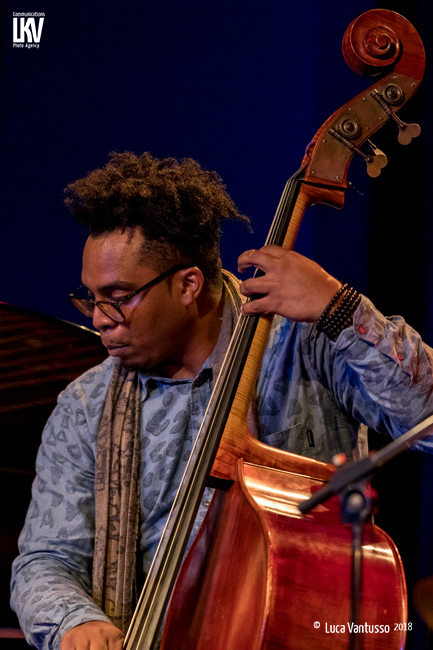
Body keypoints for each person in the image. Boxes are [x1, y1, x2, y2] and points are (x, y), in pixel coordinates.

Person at [10, 151, 433, 649]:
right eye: (90, 296)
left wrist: (345, 312)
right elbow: (46, 558)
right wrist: (75, 621)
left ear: (188, 284)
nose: (100, 318)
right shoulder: (86, 404)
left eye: (118, 297)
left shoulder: (304, 345)